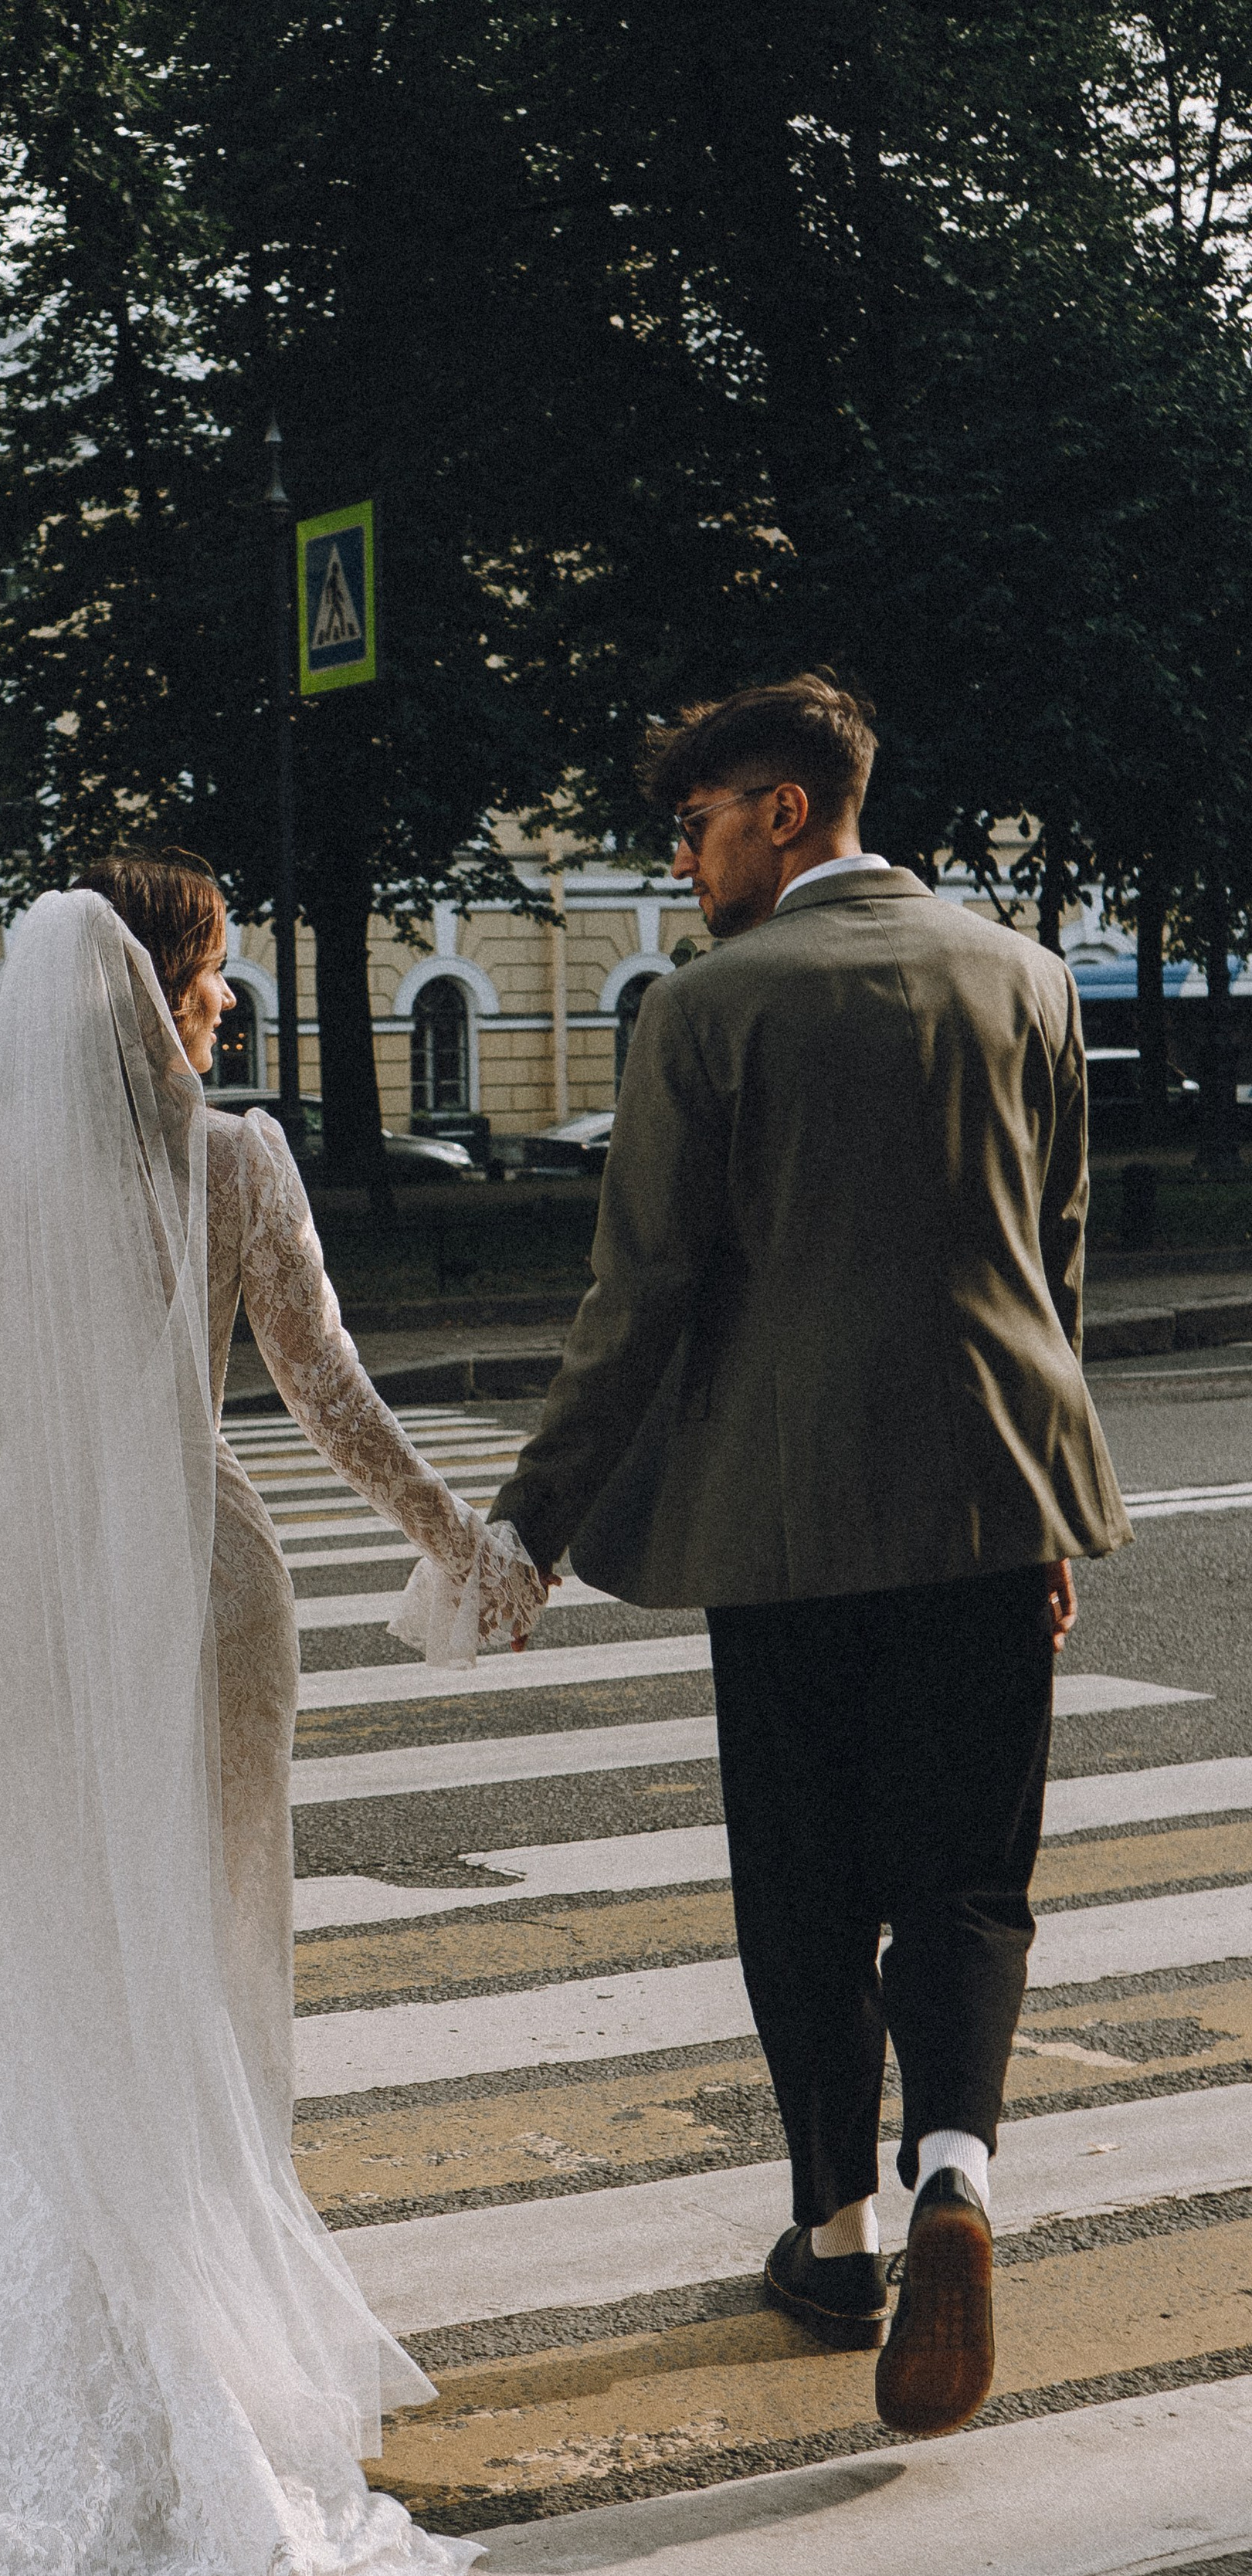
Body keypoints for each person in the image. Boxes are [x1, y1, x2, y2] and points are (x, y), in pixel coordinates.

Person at [0, 856, 545, 2576]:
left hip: (32, 1590)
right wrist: (462, 1544)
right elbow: (328, 1393)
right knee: (204, 1969)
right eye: (209, 978)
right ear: (162, 988)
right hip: (202, 1583)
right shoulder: (233, 1161)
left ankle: (79, 2371)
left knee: (70, 1972)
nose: (219, 1004)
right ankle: (206, 2347)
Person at [489, 673, 1131, 2442]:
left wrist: (528, 1521)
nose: (681, 864)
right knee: (967, 1877)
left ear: (782, 813)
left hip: (778, 1529)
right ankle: (955, 2174)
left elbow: (639, 1295)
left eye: (694, 827)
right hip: (991, 1504)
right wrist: (1046, 1500)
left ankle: (836, 2240)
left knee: (801, 1885)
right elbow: (1051, 1258)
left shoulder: (706, 1007)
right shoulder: (1025, 979)